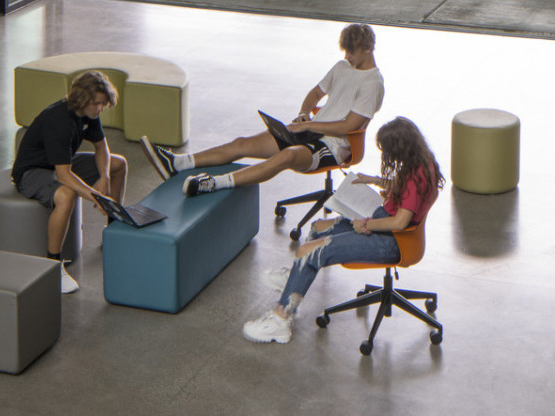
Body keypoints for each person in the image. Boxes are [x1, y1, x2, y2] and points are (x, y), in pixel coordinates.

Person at [241, 115, 443, 344]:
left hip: (391, 240)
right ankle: (295, 277)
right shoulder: (422, 162)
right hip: (384, 223)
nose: (387, 156)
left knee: (311, 251)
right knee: (318, 227)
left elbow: (399, 223)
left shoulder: (416, 175)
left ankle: (279, 321)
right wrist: (375, 181)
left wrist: (366, 224)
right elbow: (405, 192)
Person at [139, 23, 384, 198]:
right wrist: (304, 113)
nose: (347, 56)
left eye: (351, 52)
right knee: (242, 143)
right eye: (345, 51)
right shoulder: (342, 67)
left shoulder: (373, 84)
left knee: (286, 157)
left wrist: (309, 125)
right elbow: (315, 94)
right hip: (307, 131)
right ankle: (178, 163)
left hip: (333, 148)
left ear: (368, 49)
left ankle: (213, 184)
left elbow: (349, 126)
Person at [10, 69, 127, 293]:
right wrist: (97, 196)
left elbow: (102, 147)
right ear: (83, 99)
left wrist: (104, 178)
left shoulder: (88, 114)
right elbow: (63, 176)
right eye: (97, 103)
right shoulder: (58, 120)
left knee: (118, 164)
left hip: (61, 163)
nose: (100, 108)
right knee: (67, 195)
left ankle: (113, 232)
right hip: (33, 171)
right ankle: (54, 265)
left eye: (103, 104)